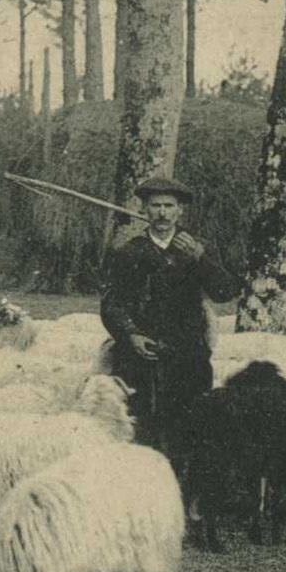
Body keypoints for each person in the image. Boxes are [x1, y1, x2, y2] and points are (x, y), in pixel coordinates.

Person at [99, 176, 241, 452]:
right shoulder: (129, 251)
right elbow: (112, 303)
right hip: (141, 359)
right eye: (155, 206)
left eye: (169, 205)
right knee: (140, 435)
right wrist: (131, 335)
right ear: (144, 210)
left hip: (187, 358)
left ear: (180, 210)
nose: (162, 213)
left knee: (189, 436)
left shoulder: (199, 248)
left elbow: (225, 291)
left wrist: (201, 258)